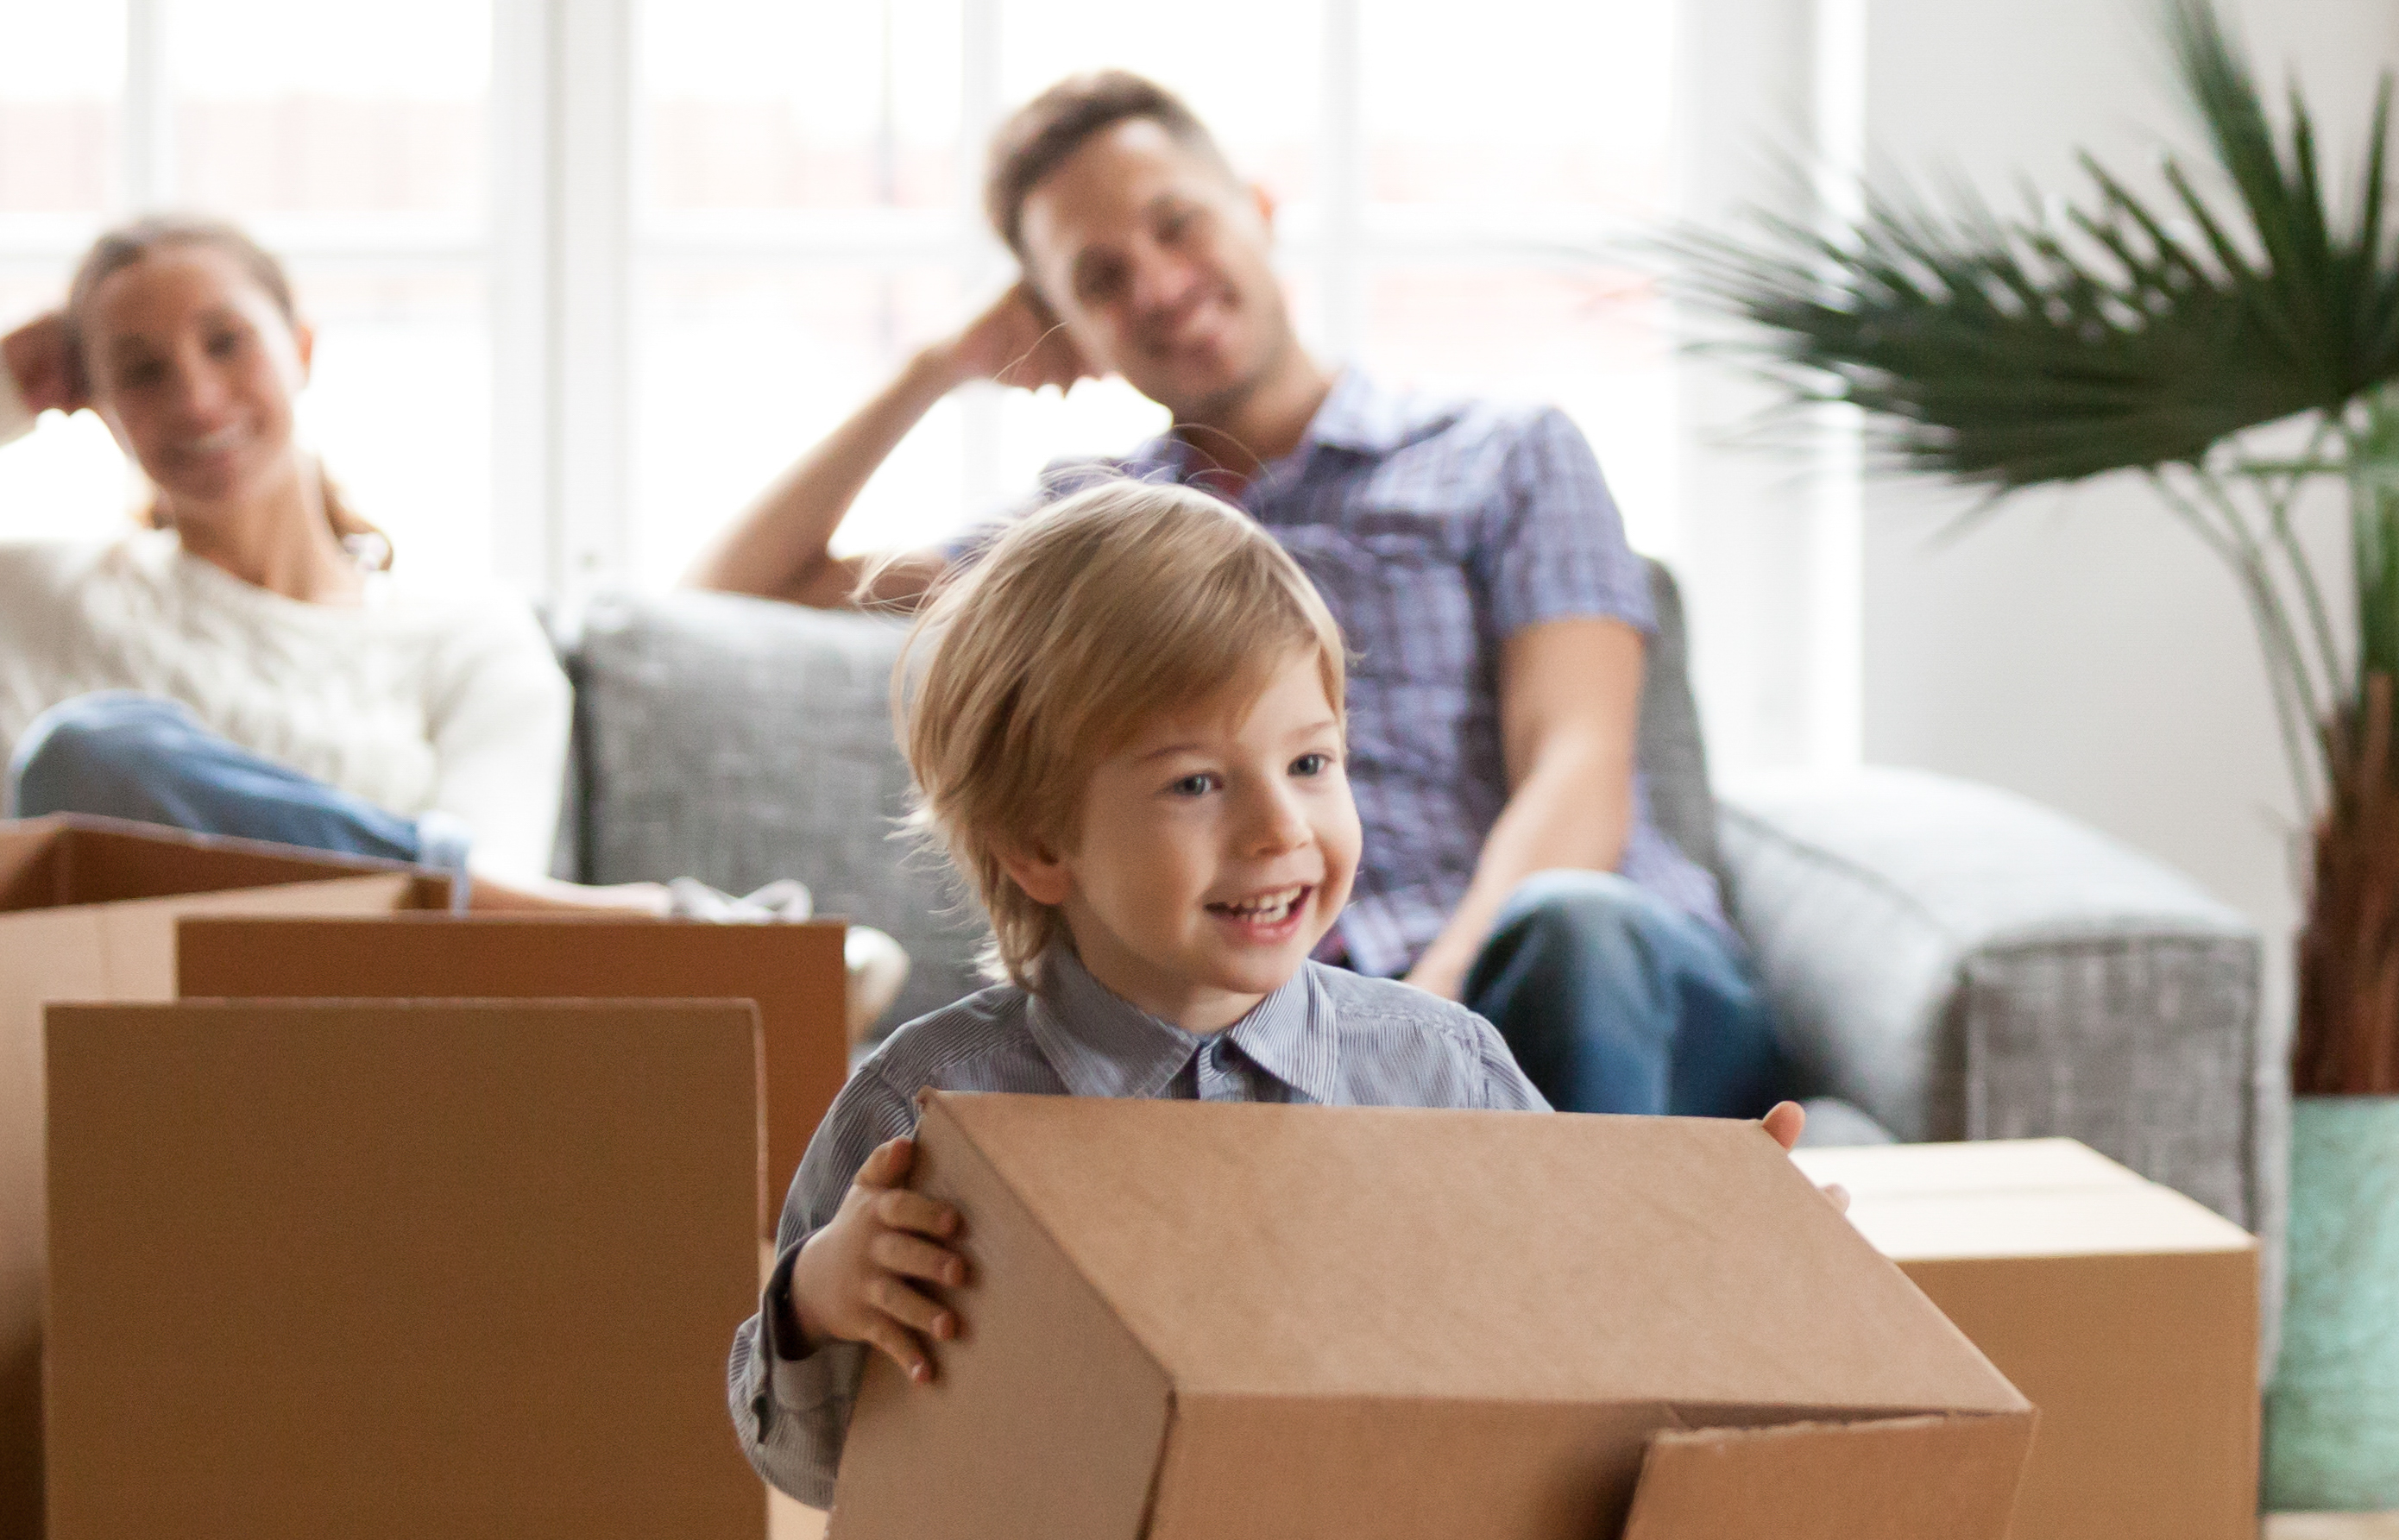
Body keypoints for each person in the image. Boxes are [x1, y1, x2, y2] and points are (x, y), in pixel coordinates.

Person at [689, 71, 1772, 1118]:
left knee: (1571, 930)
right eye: (1100, 280)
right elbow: (736, 591)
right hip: (1294, 1009)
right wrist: (939, 366)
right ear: (1059, 325)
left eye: (1177, 227)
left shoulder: (1501, 454)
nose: (1156, 286)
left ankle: (1586, 1268)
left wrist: (1414, 1028)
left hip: (1587, 974)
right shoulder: (1092, 540)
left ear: (1258, 209)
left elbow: (1579, 771)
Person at [721, 481, 1809, 1505]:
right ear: (1037, 842)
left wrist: (1728, 1266)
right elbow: (806, 1467)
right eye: (1197, 782)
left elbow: (1577, 1356)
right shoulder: (927, 1111)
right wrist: (822, 1299)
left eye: (1311, 764)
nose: (1280, 829)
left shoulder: (1444, 1073)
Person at [0, 214, 658, 914]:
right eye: (139, 370)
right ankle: (643, 919)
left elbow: (503, 936)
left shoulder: (468, 638)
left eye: (226, 343)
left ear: (302, 348)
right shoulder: (39, 604)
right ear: (94, 408)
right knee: (88, 756)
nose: (194, 398)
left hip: (376, 1044)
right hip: (101, 1059)